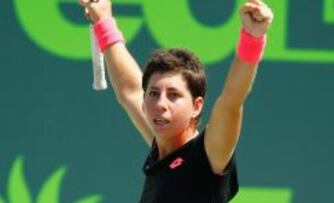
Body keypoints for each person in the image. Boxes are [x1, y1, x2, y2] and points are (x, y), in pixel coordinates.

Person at [79, 0, 273, 202]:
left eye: (173, 95)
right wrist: (103, 20)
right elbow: (130, 90)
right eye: (153, 93)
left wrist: (252, 38)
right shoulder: (161, 150)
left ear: (196, 106)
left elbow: (231, 102)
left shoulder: (208, 155)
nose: (161, 104)